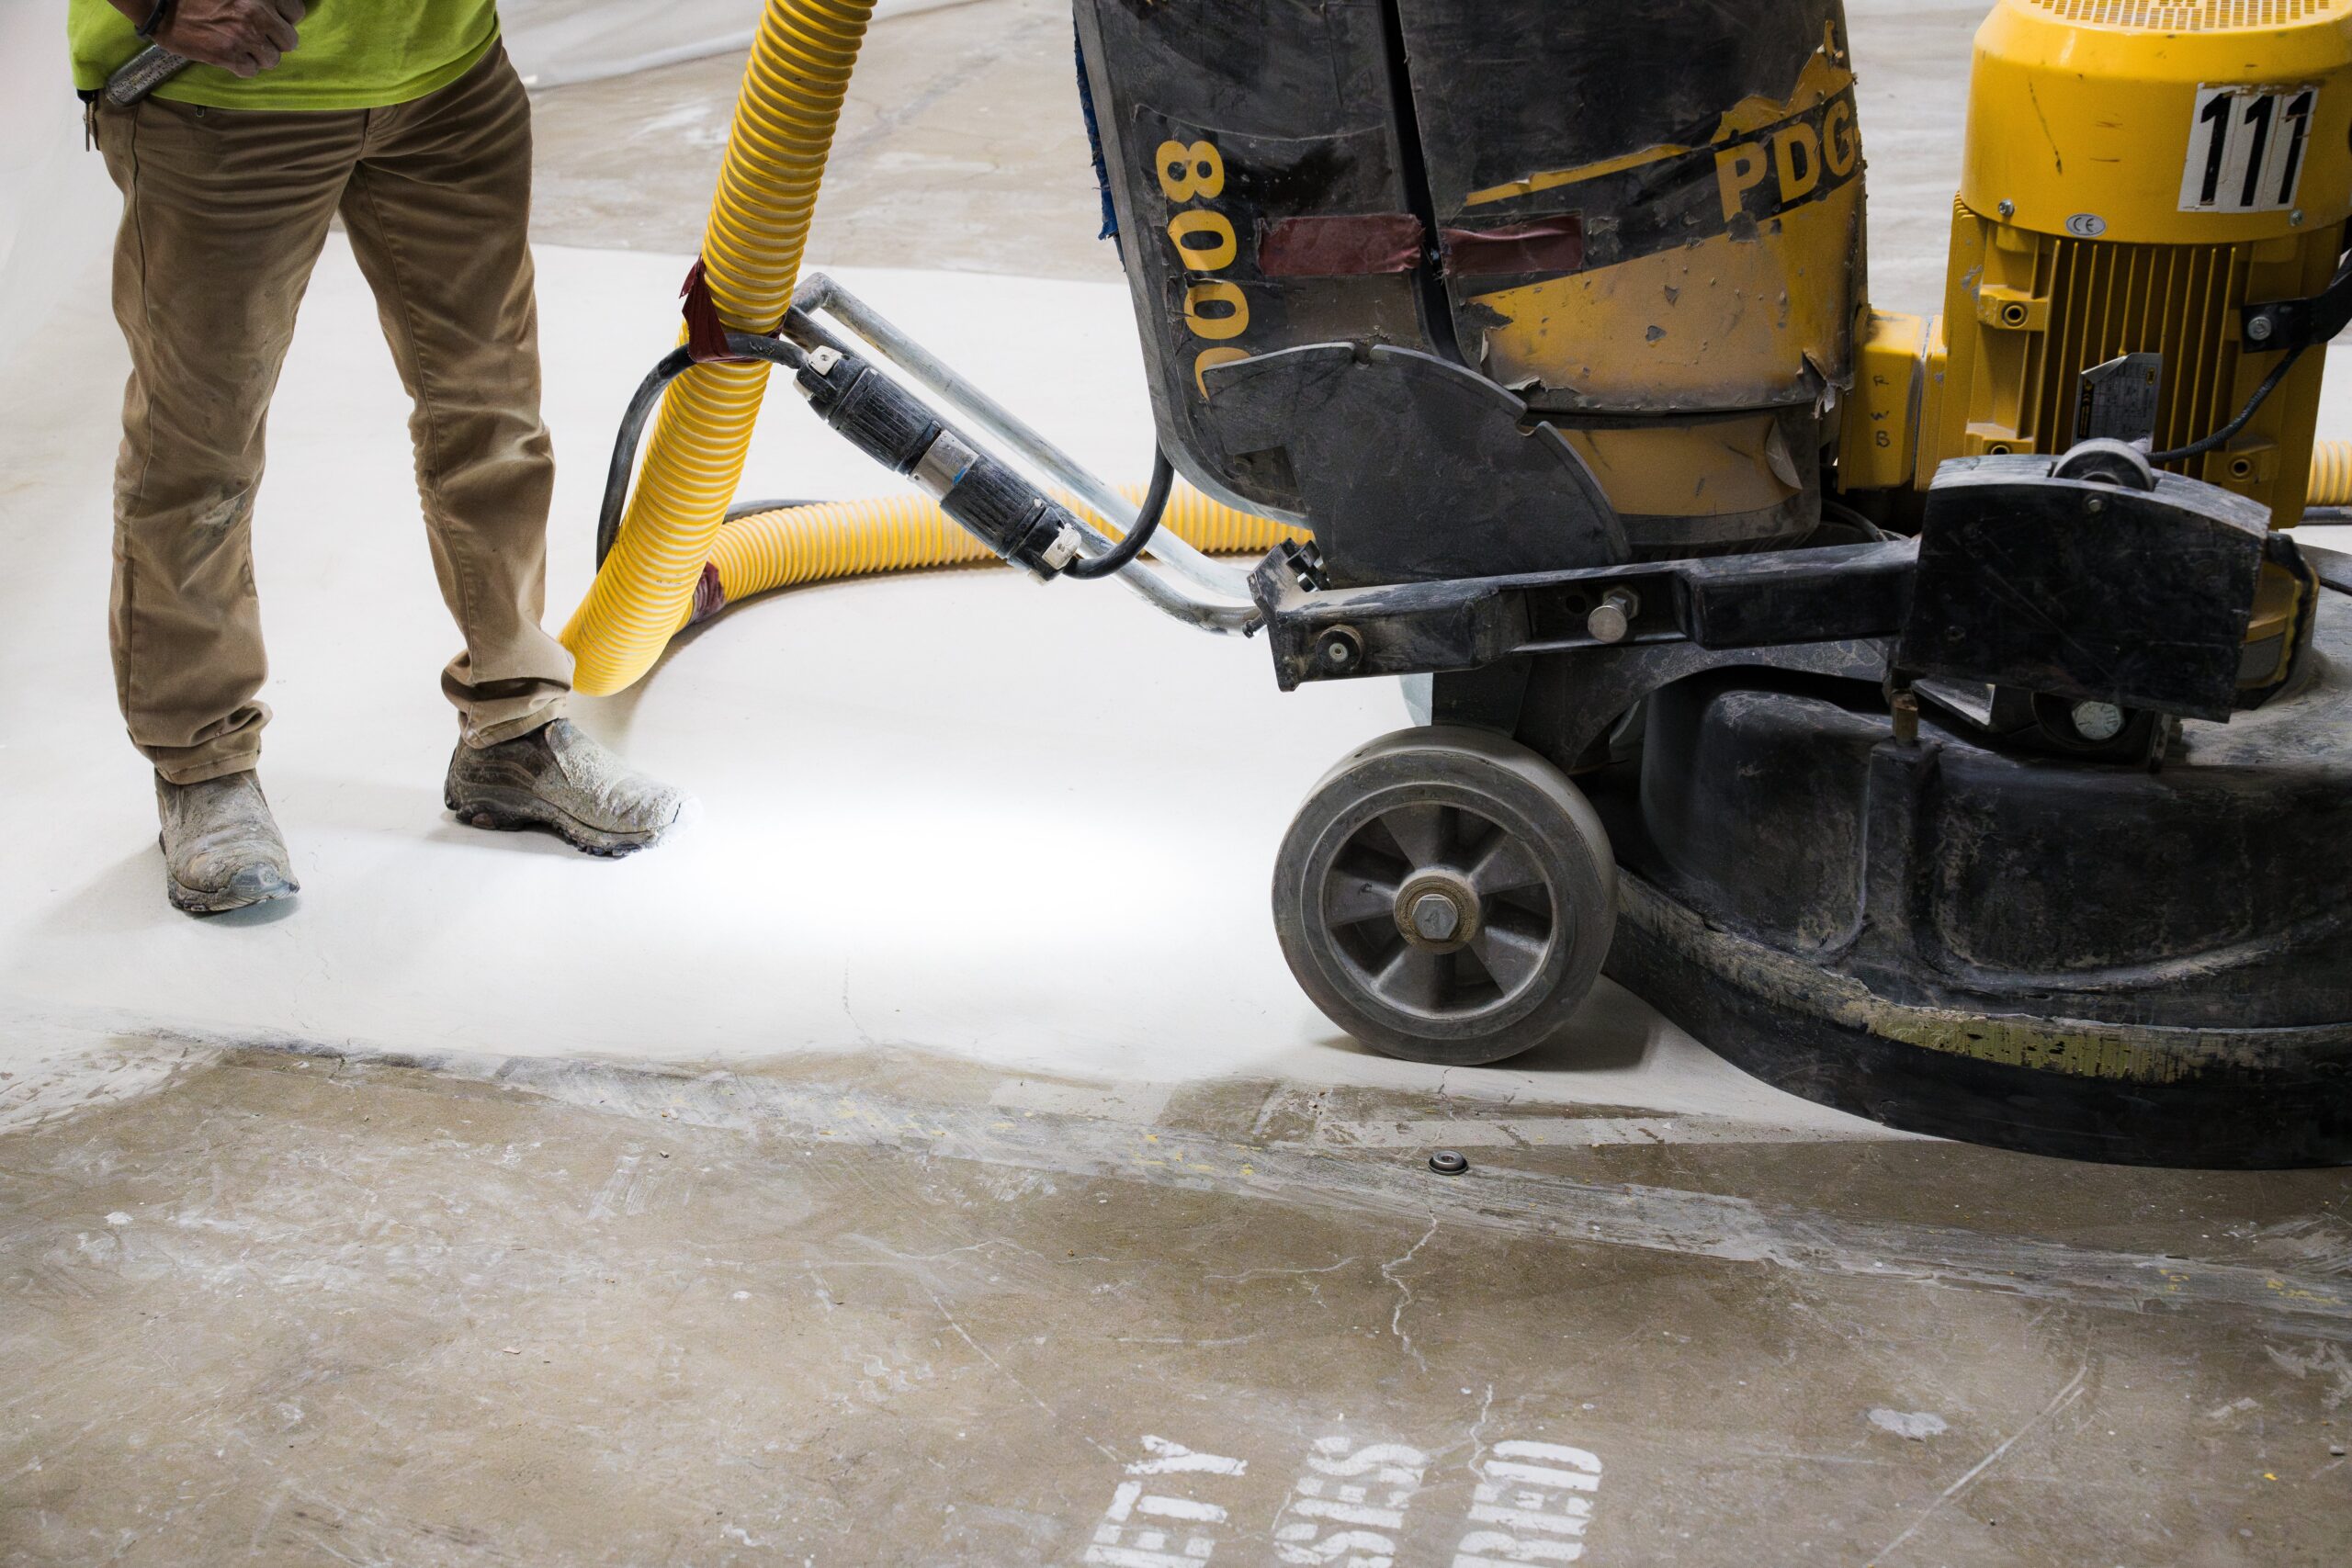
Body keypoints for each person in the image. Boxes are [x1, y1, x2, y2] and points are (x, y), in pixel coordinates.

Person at [69, 0, 686, 915]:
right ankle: (202, 766)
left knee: (493, 417)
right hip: (222, 98)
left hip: (446, 76)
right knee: (200, 451)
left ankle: (512, 729)